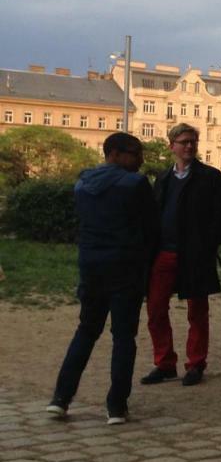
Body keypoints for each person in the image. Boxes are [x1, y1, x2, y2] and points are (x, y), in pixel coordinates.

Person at [47, 132, 158, 424]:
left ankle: (61, 398)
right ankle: (116, 406)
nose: (141, 160)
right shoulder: (136, 184)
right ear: (116, 153)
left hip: (91, 266)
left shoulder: (82, 183)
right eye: (136, 153)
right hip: (125, 268)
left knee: (86, 331)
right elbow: (151, 227)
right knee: (124, 337)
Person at [141, 122, 221, 387]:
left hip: (195, 254)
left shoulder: (211, 177)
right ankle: (165, 363)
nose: (189, 146)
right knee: (156, 308)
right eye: (184, 142)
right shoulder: (164, 178)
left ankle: (195, 364)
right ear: (172, 146)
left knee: (197, 311)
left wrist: (208, 245)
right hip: (165, 252)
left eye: (192, 141)